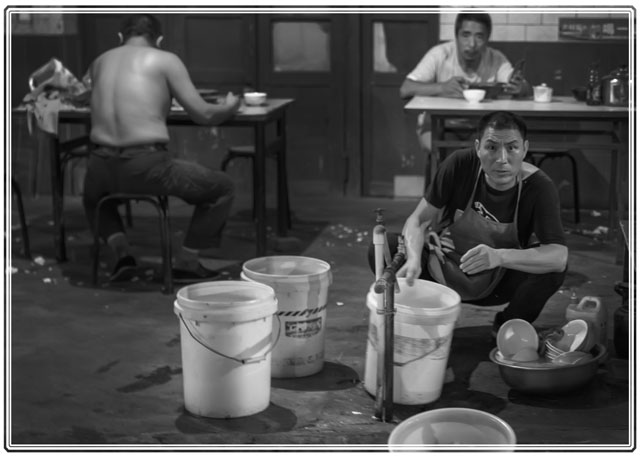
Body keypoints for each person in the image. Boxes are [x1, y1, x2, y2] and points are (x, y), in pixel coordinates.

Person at [369, 111, 568, 335]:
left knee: (552, 267)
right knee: (385, 246)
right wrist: (414, 259)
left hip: (496, 278)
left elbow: (558, 256)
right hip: (442, 270)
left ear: (525, 149)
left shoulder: (539, 186)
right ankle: (424, 319)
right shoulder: (460, 164)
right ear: (477, 148)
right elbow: (419, 219)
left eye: (512, 147)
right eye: (491, 147)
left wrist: (499, 256)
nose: (502, 158)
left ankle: (507, 326)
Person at [82, 14, 242, 283]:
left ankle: (123, 255)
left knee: (93, 198)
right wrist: (229, 106)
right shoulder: (166, 60)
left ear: (120, 38)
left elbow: (84, 96)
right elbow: (203, 114)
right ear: (158, 40)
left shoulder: (99, 62)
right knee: (223, 188)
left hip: (100, 166)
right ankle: (188, 261)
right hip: (145, 167)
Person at [399, 13, 532, 183]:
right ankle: (443, 200)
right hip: (436, 127)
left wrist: (521, 88)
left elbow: (520, 84)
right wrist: (442, 87)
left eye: (479, 36)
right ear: (456, 36)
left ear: (487, 38)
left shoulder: (495, 58)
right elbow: (405, 89)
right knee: (457, 153)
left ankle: (485, 203)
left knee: (498, 150)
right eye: (466, 35)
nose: (472, 44)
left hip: (478, 129)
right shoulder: (440, 54)